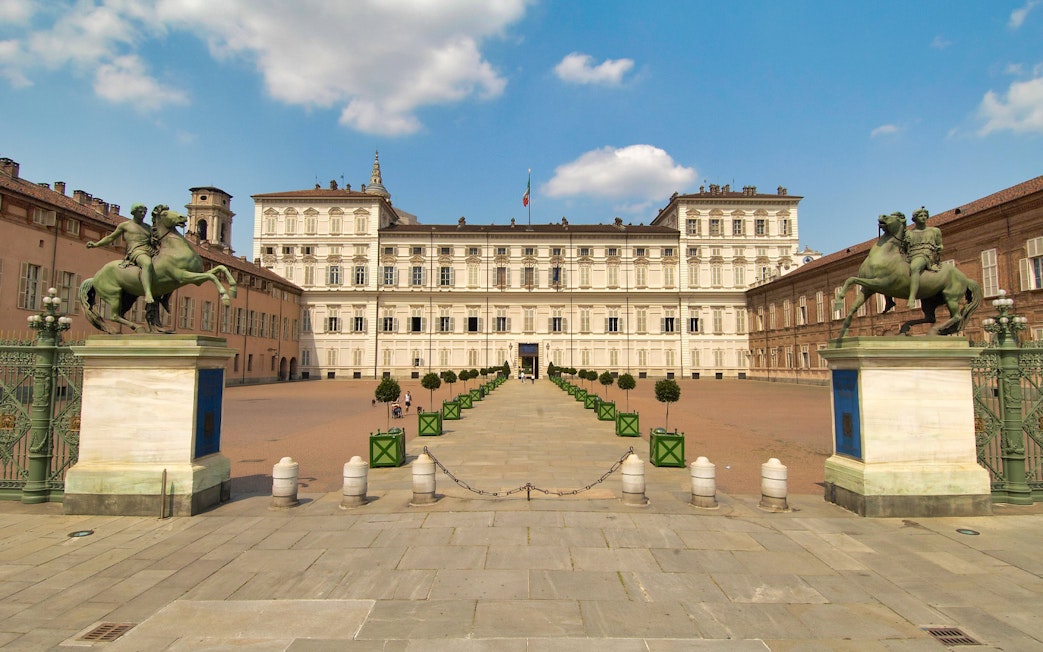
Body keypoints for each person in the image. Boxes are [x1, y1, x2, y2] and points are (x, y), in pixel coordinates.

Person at [87, 203, 157, 304]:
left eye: (144, 212)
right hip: (136, 251)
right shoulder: (125, 225)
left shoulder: (148, 227)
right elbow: (110, 237)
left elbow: (154, 240)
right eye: (140, 212)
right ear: (134, 212)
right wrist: (96, 244)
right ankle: (148, 293)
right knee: (147, 264)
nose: (143, 214)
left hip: (150, 250)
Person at [904, 207, 942, 308]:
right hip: (910, 255)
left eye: (925, 216)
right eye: (920, 216)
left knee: (915, 267)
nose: (923, 217)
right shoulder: (908, 233)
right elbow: (904, 248)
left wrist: (939, 248)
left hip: (925, 255)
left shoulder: (935, 231)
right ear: (915, 219)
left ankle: (912, 298)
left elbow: (940, 245)